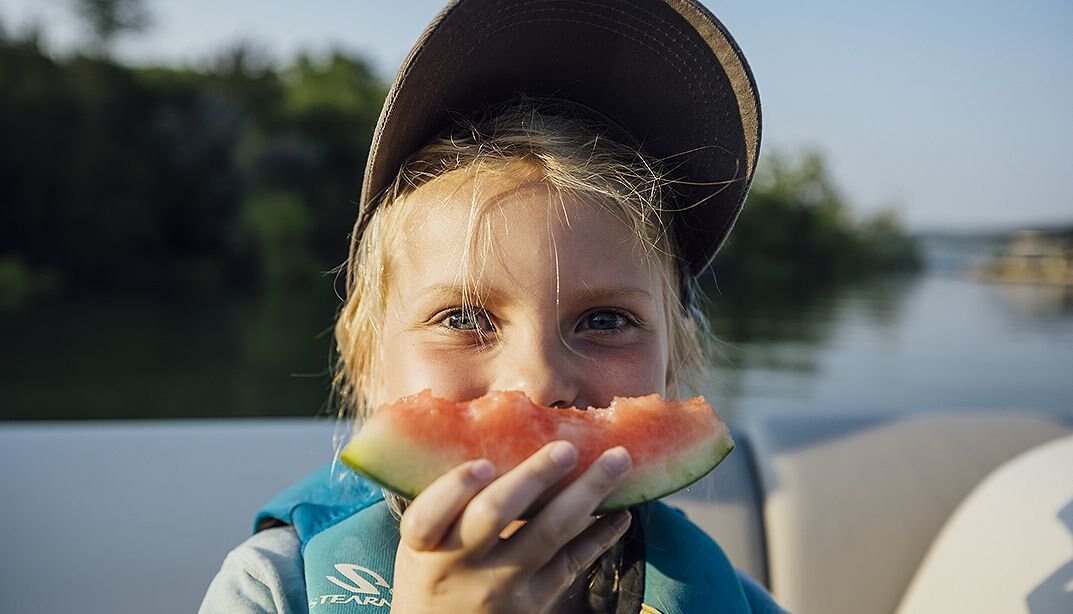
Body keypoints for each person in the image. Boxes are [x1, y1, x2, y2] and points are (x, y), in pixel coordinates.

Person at [202, 0, 782, 612]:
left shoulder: (731, 601)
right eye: (463, 318)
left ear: (672, 362)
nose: (538, 382)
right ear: (367, 362)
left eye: (606, 320)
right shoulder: (272, 589)